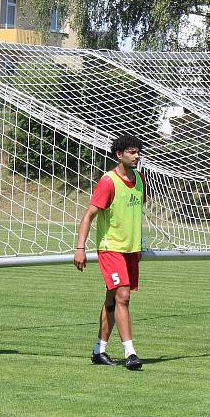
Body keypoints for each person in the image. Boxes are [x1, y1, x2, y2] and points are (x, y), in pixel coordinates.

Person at [74, 135, 145, 370]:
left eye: (137, 152)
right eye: (131, 152)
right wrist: (80, 248)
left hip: (130, 250)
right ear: (119, 154)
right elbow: (89, 215)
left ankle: (99, 349)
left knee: (112, 300)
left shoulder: (140, 179)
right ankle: (130, 353)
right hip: (111, 248)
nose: (136, 156)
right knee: (123, 297)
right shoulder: (108, 181)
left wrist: (138, 245)